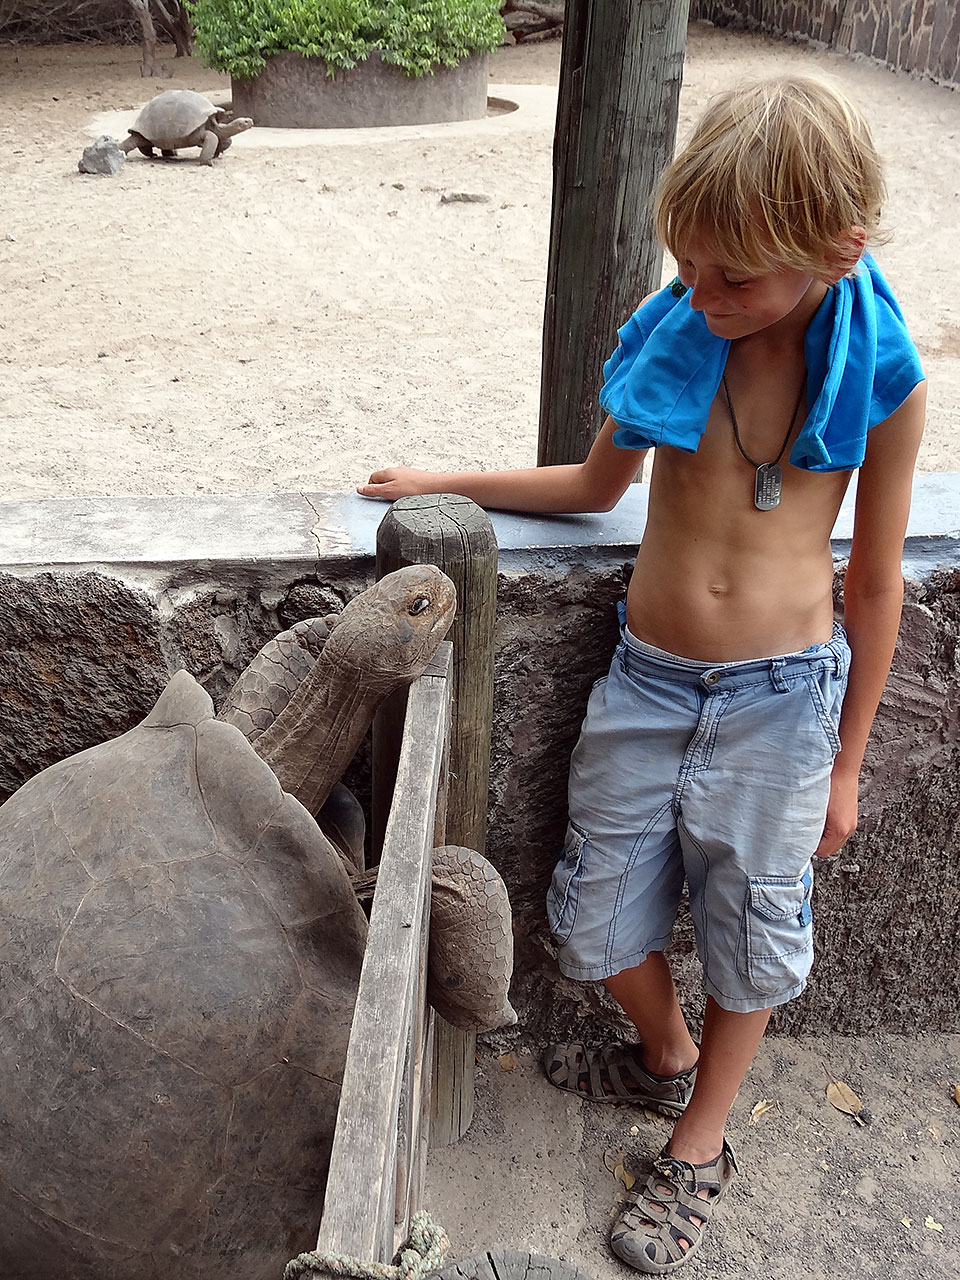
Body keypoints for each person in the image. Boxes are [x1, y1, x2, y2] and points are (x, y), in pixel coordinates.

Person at [358, 76, 925, 1274]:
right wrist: (442, 481)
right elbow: (591, 485)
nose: (702, 297)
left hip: (784, 702)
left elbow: (876, 582)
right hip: (649, 683)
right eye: (691, 267)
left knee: (755, 927)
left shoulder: (882, 377)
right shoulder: (680, 332)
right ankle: (667, 1051)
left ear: (835, 249)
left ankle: (701, 1139)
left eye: (735, 279)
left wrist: (846, 766)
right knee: (590, 915)